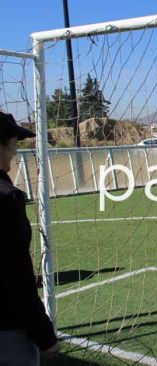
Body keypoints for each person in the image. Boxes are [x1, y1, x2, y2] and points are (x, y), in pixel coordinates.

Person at [0, 112, 60, 365]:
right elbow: (15, 274)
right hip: (7, 328)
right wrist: (44, 335)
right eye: (14, 142)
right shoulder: (6, 199)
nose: (15, 151)